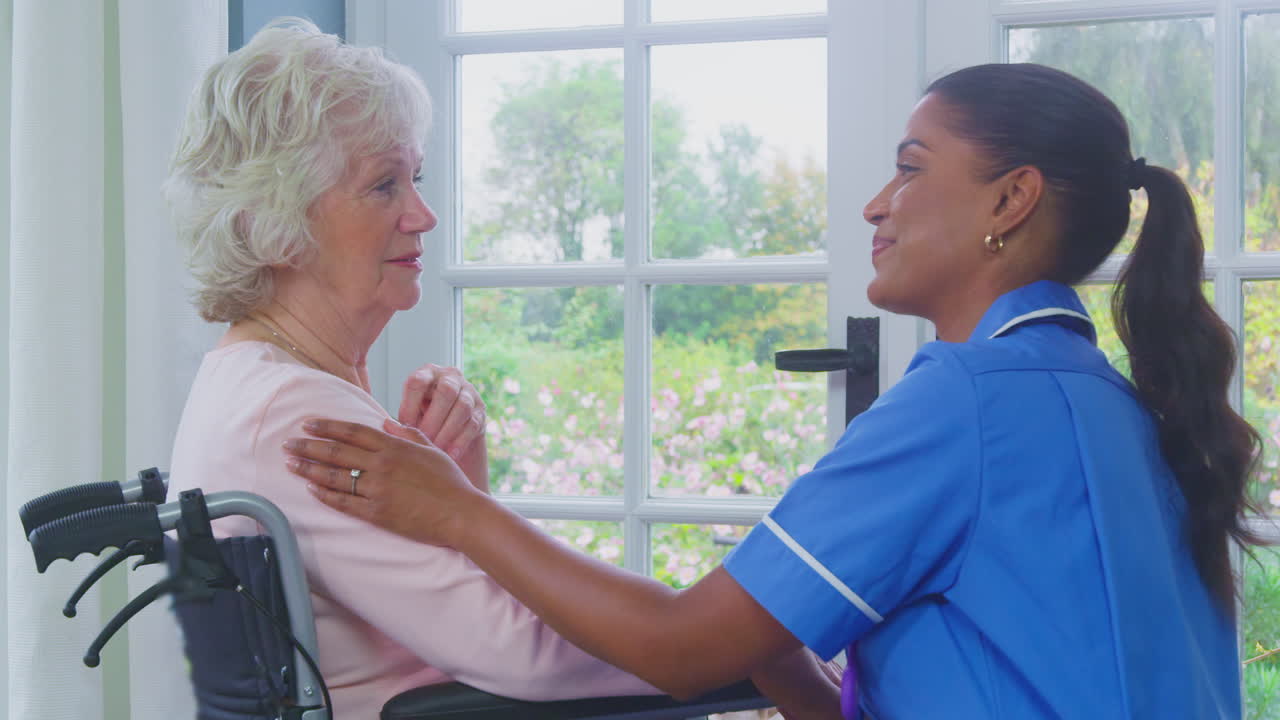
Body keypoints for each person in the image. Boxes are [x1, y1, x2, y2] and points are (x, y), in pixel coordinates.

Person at [282, 62, 1266, 719]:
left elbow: (676, 650)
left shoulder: (963, 403)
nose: (875, 203)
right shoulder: (1107, 402)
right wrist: (777, 638)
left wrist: (454, 512)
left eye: (909, 169)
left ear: (1007, 201)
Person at [163, 19, 663, 719]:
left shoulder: (254, 383)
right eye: (383, 186)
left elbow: (470, 612)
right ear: (274, 224)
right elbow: (524, 650)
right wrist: (717, 641)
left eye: (415, 178)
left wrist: (459, 482)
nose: (423, 216)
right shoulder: (294, 417)